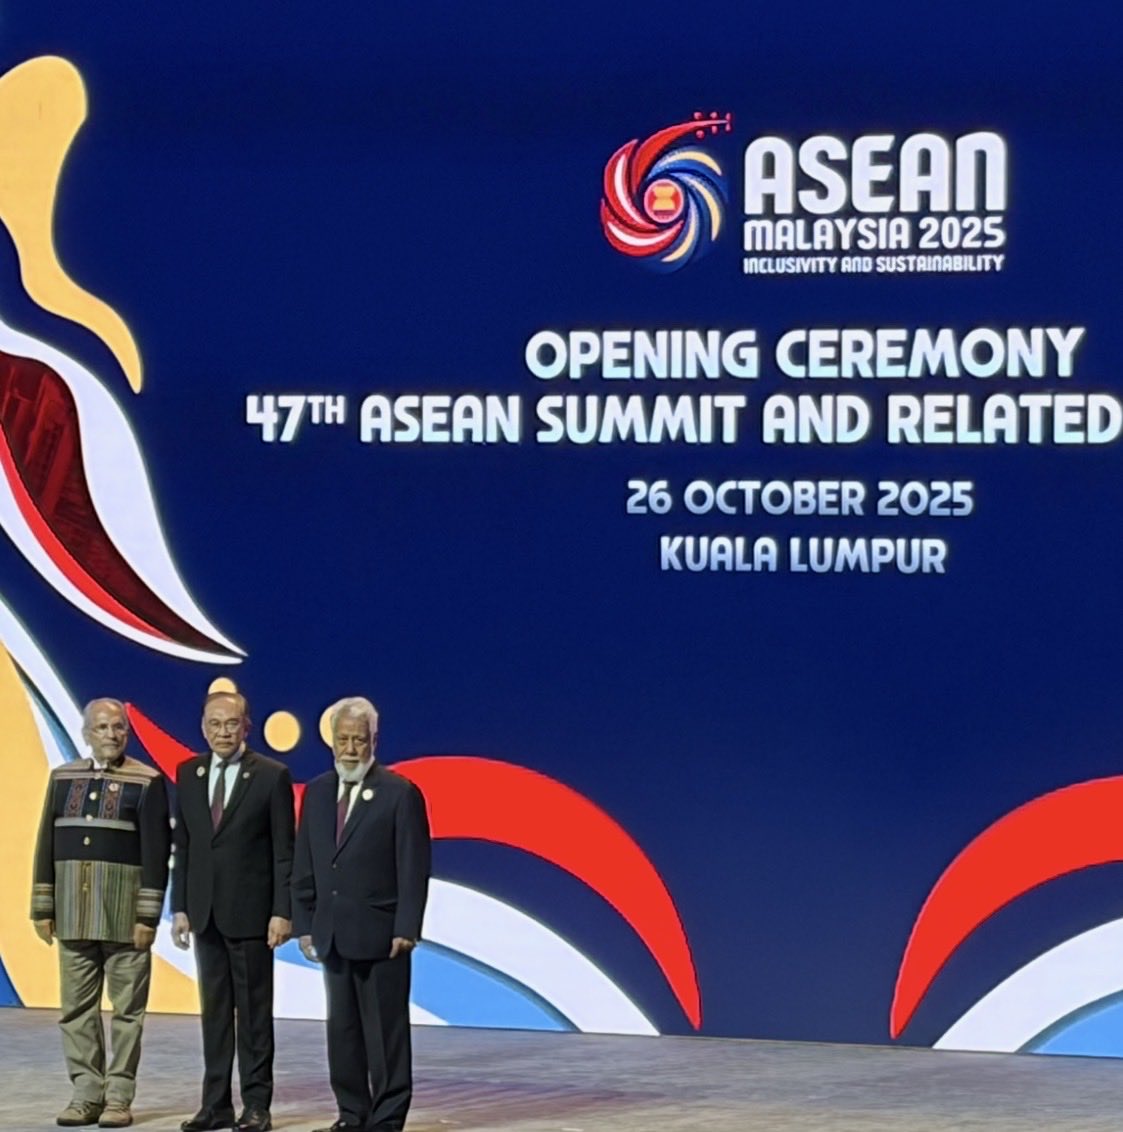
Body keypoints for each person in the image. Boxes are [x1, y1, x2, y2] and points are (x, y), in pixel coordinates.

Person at [31, 698, 171, 1129]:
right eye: (103, 727)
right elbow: (46, 844)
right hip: (73, 915)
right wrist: (42, 907)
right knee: (76, 1011)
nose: (112, 734)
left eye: (119, 727)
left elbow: (156, 854)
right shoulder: (62, 778)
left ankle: (119, 1098)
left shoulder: (147, 781)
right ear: (86, 732)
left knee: (128, 1014)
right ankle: (86, 1094)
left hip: (125, 920)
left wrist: (148, 917)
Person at [293, 697, 431, 1132]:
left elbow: (413, 866)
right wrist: (304, 924)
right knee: (343, 1031)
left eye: (359, 740)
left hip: (382, 934)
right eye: (343, 739)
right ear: (331, 741)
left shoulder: (399, 793)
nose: (350, 749)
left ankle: (387, 1119)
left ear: (374, 741)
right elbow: (305, 862)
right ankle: (352, 1114)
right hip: (332, 933)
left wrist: (406, 926)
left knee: (385, 1033)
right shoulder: (316, 792)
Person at [171, 691, 295, 1132]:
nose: (223, 732)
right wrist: (179, 907)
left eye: (231, 723)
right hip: (204, 914)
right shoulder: (188, 773)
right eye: (215, 723)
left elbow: (284, 852)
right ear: (203, 727)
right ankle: (215, 1105)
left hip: (253, 916)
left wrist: (282, 911)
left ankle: (257, 1105)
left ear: (247, 727)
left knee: (255, 1016)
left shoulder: (271, 776)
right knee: (215, 1014)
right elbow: (184, 846)